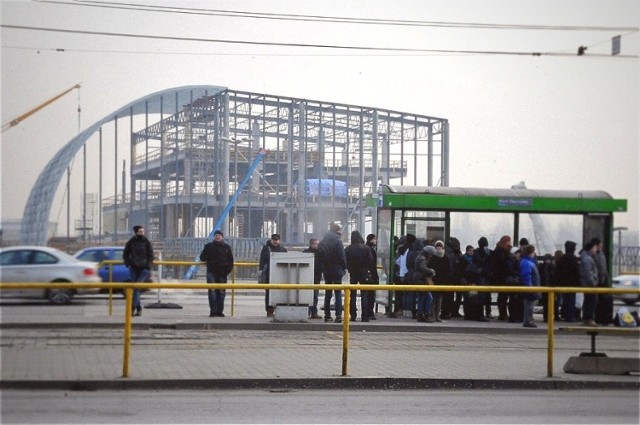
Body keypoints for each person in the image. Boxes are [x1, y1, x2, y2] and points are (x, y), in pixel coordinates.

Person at [199, 230, 234, 317]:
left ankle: (219, 311)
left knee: (221, 292)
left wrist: (227, 271)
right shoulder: (209, 246)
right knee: (212, 292)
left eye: (219, 235)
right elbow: (202, 257)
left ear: (222, 237)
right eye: (216, 235)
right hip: (212, 272)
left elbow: (231, 261)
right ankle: (213, 311)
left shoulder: (226, 247)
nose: (217, 237)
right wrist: (210, 258)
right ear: (214, 237)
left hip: (222, 273)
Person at [123, 225, 154, 317]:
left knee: (136, 288)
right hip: (133, 268)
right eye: (140, 231)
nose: (142, 233)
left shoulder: (147, 242)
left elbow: (151, 255)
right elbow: (125, 253)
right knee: (136, 288)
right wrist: (128, 263)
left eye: (143, 231)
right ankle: (139, 307)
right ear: (136, 232)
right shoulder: (131, 242)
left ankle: (133, 307)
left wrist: (148, 266)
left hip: (143, 269)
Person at [319, 223, 347, 323]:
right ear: (337, 230)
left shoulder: (323, 240)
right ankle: (338, 315)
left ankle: (327, 315)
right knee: (338, 292)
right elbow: (341, 256)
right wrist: (344, 268)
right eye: (340, 230)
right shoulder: (337, 240)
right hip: (337, 269)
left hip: (326, 269)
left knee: (328, 292)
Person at [345, 230, 375, 322]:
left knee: (352, 295)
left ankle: (353, 315)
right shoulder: (366, 248)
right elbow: (371, 261)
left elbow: (345, 262)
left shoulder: (348, 249)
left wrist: (350, 268)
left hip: (353, 273)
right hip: (364, 273)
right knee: (364, 295)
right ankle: (364, 316)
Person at [259, 234, 287, 317]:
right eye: (274, 239)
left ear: (279, 240)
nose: (275, 241)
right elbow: (262, 260)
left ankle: (278, 308)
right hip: (269, 273)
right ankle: (269, 309)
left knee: (280, 292)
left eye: (276, 239)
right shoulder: (266, 248)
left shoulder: (283, 249)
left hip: (280, 273)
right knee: (269, 292)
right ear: (271, 240)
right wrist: (261, 272)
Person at [489, 235, 513, 321]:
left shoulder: (498, 250)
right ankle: (503, 314)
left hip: (499, 277)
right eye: (509, 241)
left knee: (502, 296)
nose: (510, 243)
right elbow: (503, 265)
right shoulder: (503, 251)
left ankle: (503, 314)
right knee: (503, 296)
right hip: (502, 277)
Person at [555, 241, 580, 322]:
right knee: (571, 300)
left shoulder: (562, 259)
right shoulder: (573, 259)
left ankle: (565, 315)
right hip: (572, 283)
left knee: (566, 299)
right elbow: (576, 271)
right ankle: (570, 317)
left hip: (563, 283)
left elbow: (558, 272)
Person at [591, 237, 613, 325]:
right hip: (598, 281)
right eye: (600, 244)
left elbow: (603, 268)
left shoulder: (600, 254)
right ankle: (599, 318)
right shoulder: (595, 255)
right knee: (598, 301)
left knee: (603, 300)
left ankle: (603, 318)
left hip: (603, 280)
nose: (601, 246)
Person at [427, 240, 450, 323]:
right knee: (437, 299)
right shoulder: (445, 257)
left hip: (436, 281)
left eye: (440, 246)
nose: (439, 247)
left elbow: (429, 268)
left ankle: (434, 315)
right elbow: (448, 270)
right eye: (438, 246)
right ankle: (436, 316)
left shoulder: (433, 257)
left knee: (435, 299)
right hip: (439, 281)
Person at [520, 245, 541, 328]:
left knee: (529, 304)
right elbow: (526, 275)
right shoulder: (528, 262)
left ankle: (528, 320)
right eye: (533, 252)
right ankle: (528, 320)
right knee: (529, 305)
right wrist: (529, 286)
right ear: (530, 253)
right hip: (531, 287)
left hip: (531, 287)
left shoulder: (525, 262)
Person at [414, 245, 436, 322]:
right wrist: (431, 271)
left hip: (417, 279)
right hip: (421, 280)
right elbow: (422, 268)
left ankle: (420, 314)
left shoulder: (419, 256)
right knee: (429, 297)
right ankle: (426, 314)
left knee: (421, 298)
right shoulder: (423, 258)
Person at [472, 236, 493, 318]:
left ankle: (480, 314)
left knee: (481, 296)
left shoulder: (476, 252)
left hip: (479, 276)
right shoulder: (488, 253)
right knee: (486, 295)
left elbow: (475, 262)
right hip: (485, 276)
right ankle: (486, 313)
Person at [579, 241, 599, 327]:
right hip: (589, 284)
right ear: (591, 248)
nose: (596, 250)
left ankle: (586, 318)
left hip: (586, 283)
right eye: (595, 248)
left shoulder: (585, 257)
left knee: (588, 300)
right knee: (592, 300)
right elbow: (588, 273)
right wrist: (593, 282)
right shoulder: (588, 259)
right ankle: (589, 319)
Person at [303, 238, 323, 319]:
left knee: (315, 295)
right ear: (311, 244)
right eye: (315, 244)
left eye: (318, 244)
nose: (317, 245)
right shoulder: (306, 252)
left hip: (316, 276)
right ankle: (307, 312)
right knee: (307, 295)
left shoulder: (320, 252)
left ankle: (314, 312)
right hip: (307, 276)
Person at [364, 233, 379, 320]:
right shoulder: (370, 250)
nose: (376, 240)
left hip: (365, 274)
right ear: (370, 240)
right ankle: (370, 312)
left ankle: (366, 312)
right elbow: (372, 265)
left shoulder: (367, 248)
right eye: (374, 239)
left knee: (366, 294)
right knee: (371, 295)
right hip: (370, 275)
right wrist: (375, 276)